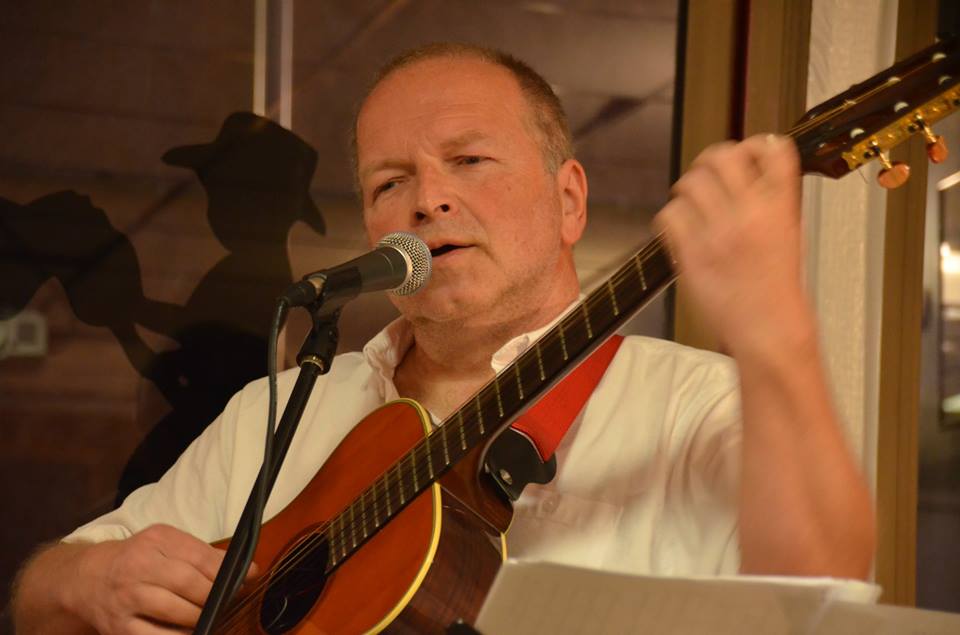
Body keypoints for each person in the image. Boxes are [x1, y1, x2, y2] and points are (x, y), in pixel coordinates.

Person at [11, 43, 875, 634]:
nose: (427, 200)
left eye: (468, 161)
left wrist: (773, 327)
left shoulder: (699, 403)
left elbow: (824, 596)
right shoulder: (274, 414)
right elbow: (37, 596)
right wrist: (91, 579)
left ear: (570, 200)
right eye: (390, 182)